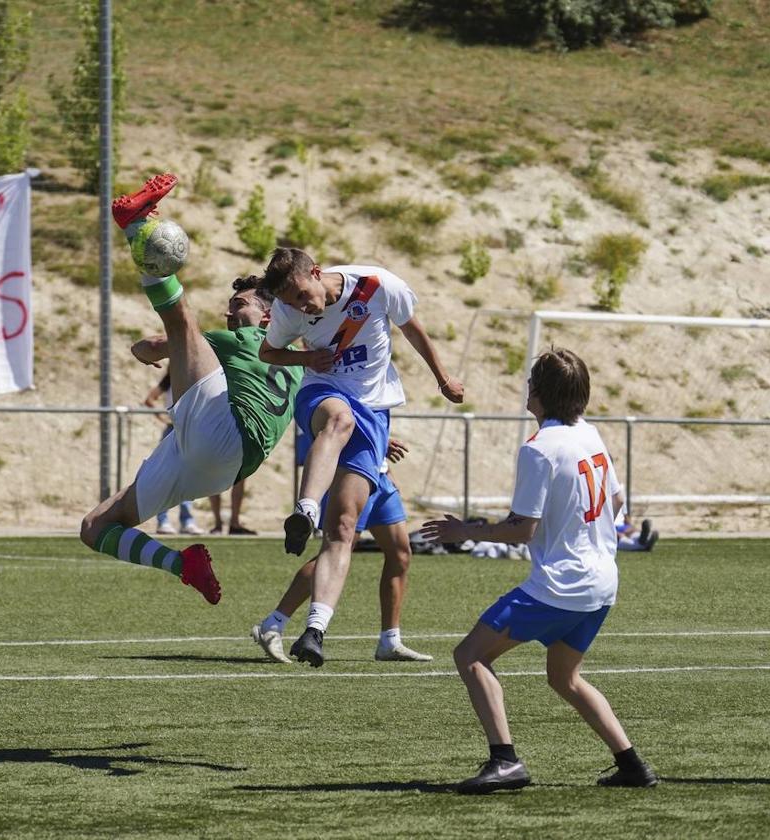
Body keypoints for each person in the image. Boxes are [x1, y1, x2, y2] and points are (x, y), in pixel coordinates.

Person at [422, 348, 657, 794]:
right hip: (602, 582)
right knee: (563, 677)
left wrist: (462, 531)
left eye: (532, 381)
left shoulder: (538, 449)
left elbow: (521, 531)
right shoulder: (591, 434)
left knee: (470, 656)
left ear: (540, 393)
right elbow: (617, 503)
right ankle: (632, 765)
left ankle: (505, 761)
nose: (527, 387)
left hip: (559, 586)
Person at [80, 175, 302, 605]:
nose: (230, 309)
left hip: (223, 438)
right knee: (96, 526)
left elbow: (156, 343)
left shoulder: (240, 340)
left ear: (267, 314)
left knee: (185, 321)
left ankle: (135, 225)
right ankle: (184, 565)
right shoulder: (302, 359)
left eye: (241, 304)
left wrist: (146, 350)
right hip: (219, 467)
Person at [257, 247, 463, 666]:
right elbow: (269, 352)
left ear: (316, 272)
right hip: (322, 396)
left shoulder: (377, 285)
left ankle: (315, 630)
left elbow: (412, 329)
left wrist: (443, 378)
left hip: (373, 415)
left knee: (347, 530)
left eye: (302, 294)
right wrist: (303, 358)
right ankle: (305, 510)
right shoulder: (287, 311)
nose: (301, 306)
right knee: (338, 420)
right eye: (291, 301)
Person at [252, 437, 432, 662]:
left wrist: (384, 455)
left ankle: (390, 641)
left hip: (381, 475)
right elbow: (342, 417)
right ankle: (273, 624)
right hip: (354, 473)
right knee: (335, 551)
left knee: (400, 554)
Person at [142, 373, 204, 536]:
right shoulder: (170, 379)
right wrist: (164, 418)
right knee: (166, 474)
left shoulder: (195, 379)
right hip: (173, 429)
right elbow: (150, 399)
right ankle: (163, 521)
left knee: (188, 476)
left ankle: (187, 520)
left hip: (190, 429)